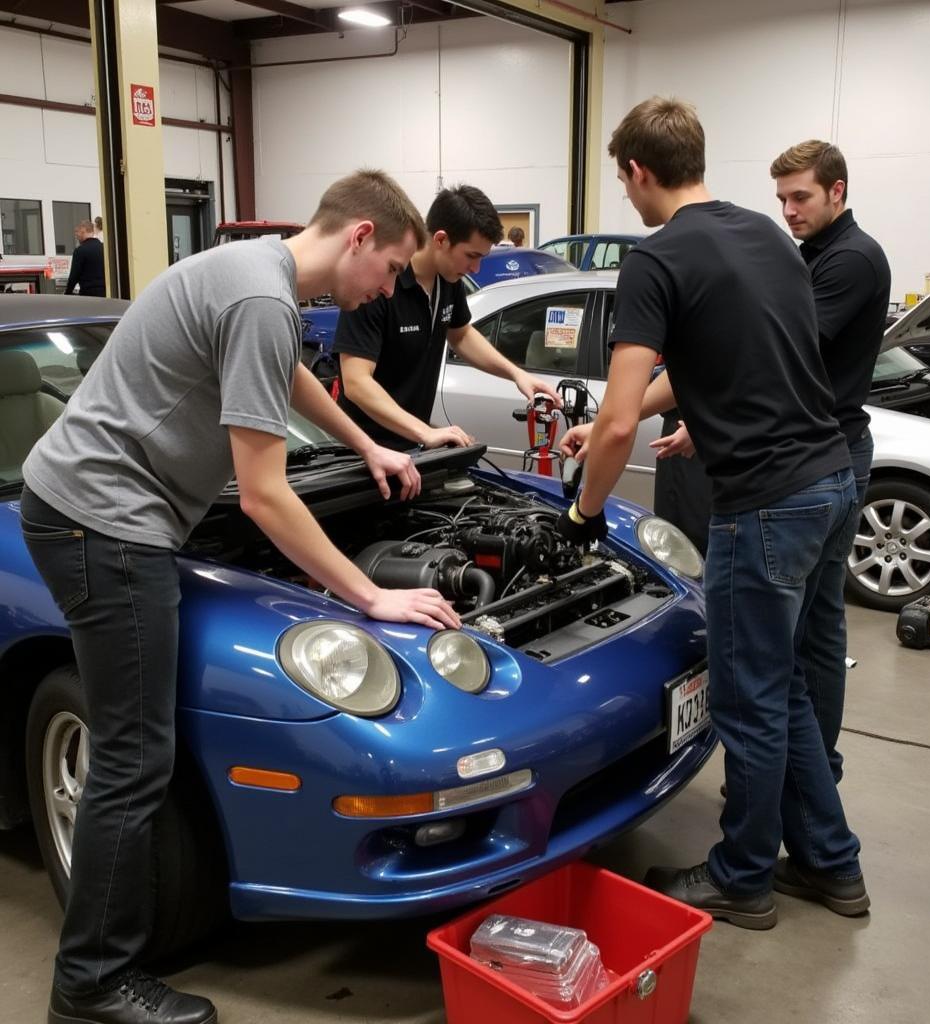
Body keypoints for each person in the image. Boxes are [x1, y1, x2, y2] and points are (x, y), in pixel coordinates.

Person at [21, 168, 460, 1024]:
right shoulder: (261, 297)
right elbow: (262, 496)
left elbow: (285, 374)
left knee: (132, 750)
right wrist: (370, 596)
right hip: (102, 524)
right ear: (361, 237)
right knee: (131, 758)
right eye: (394, 269)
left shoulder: (260, 273)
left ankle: (96, 972)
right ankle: (90, 985)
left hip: (90, 511)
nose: (390, 290)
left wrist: (363, 441)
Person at [557, 97, 867, 930]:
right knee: (790, 690)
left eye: (623, 181)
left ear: (636, 171)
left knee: (749, 701)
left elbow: (622, 422)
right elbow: (712, 363)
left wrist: (585, 514)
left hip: (765, 504)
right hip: (832, 483)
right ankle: (834, 866)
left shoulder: (653, 260)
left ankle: (741, 876)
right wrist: (619, 414)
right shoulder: (767, 236)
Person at [652, 140, 891, 784]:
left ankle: (816, 773)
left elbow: (772, 358)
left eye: (801, 197)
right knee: (794, 650)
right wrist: (703, 427)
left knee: (806, 643)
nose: (788, 210)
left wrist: (699, 409)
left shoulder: (852, 260)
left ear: (837, 191)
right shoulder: (807, 254)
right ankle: (808, 789)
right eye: (781, 197)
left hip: (814, 461)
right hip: (814, 457)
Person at [333, 184, 559, 451]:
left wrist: (516, 375)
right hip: (359, 451)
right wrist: (424, 431)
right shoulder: (380, 284)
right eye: (471, 256)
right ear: (440, 239)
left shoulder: (448, 280)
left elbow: (461, 334)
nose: (475, 269)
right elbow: (356, 383)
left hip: (410, 446)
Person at [65, 220, 105, 297]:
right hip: (105, 293)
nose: (76, 235)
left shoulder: (80, 250)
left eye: (77, 232)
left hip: (88, 294)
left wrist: (67, 293)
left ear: (83, 231)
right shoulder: (105, 248)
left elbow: (74, 276)